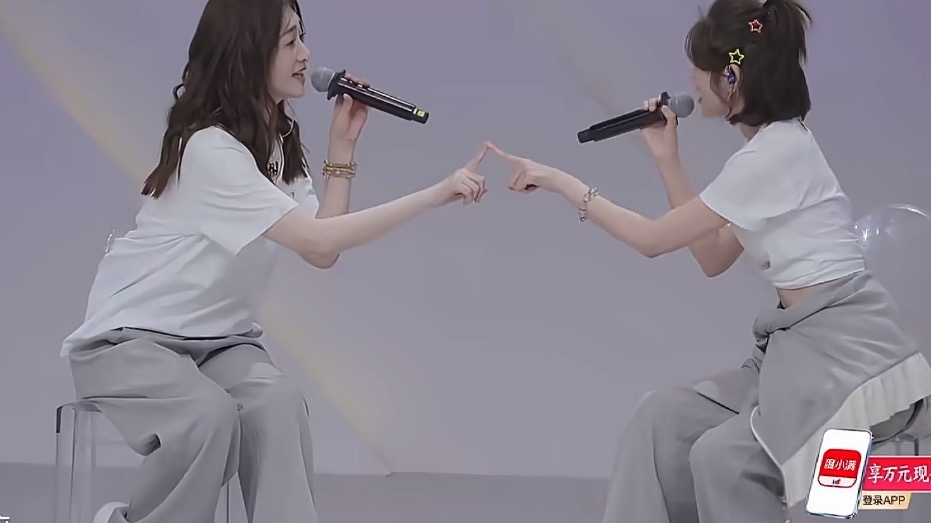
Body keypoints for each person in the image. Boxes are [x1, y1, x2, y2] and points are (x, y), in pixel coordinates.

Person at [483, 0, 931, 521]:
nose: (691, 81)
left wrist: (561, 182)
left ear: (730, 79)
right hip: (796, 356)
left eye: (699, 70)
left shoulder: (772, 157)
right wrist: (666, 157)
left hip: (847, 361)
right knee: (662, 419)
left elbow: (653, 240)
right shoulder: (770, 152)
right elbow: (712, 255)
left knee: (724, 459)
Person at [60, 1, 488, 522]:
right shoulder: (210, 151)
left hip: (219, 343)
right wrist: (433, 195)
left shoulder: (278, 144)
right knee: (207, 417)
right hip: (128, 344)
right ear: (248, 54)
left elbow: (322, 250)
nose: (305, 54)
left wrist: (341, 148)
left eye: (302, 37)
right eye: (289, 42)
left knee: (278, 404)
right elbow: (315, 238)